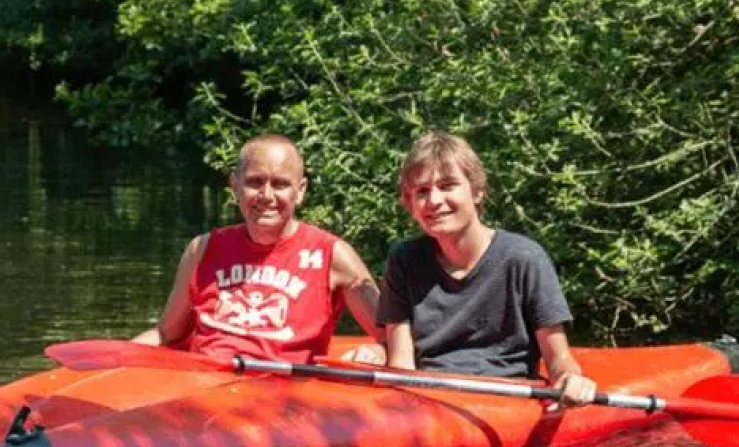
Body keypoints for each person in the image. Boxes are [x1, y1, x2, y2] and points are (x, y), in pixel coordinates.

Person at [377, 131, 596, 407]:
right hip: (431, 400)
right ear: (410, 204)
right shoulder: (403, 259)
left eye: (447, 186)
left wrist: (570, 379)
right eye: (422, 191)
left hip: (507, 398)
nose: (434, 200)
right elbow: (401, 365)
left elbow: (559, 360)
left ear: (477, 191)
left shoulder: (524, 258)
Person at [134, 134, 381, 362]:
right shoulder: (202, 249)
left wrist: (378, 352)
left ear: (300, 191)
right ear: (235, 185)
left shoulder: (332, 255)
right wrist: (118, 357)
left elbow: (391, 337)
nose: (266, 195)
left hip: (285, 388)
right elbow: (166, 335)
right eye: (255, 182)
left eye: (280, 184)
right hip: (207, 382)